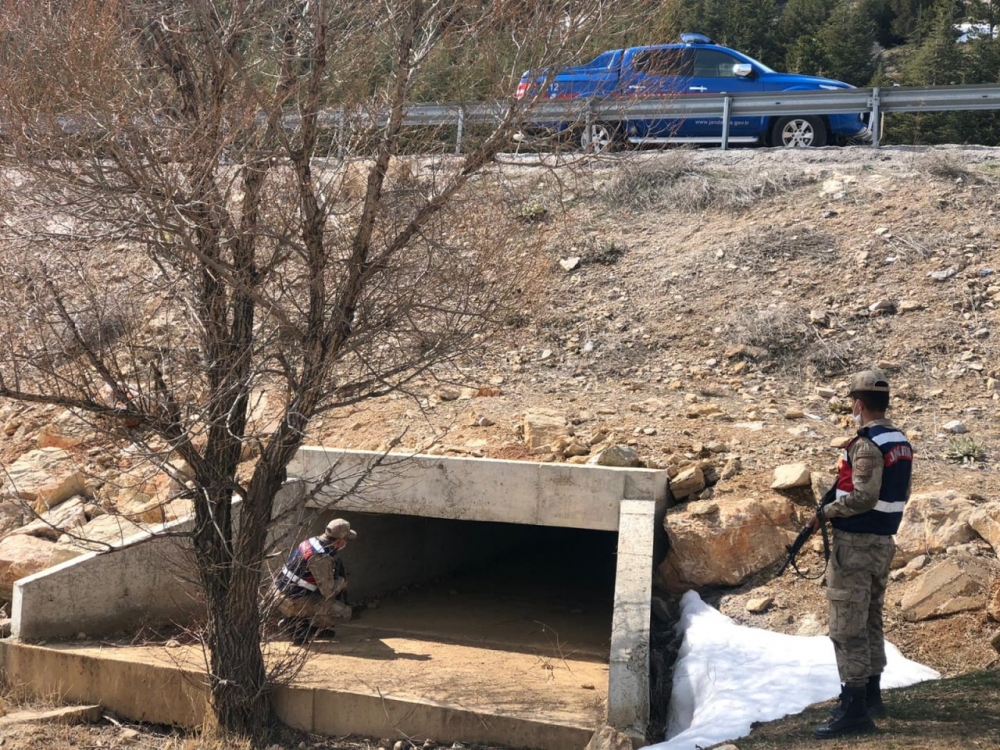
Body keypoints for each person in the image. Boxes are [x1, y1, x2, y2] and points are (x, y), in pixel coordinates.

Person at [808, 370, 913, 739]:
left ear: (857, 404)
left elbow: (865, 496)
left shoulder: (867, 442)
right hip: (882, 543)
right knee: (870, 619)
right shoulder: (899, 440)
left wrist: (827, 512)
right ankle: (870, 696)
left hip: (856, 545)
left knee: (847, 626)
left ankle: (853, 709)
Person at [273, 518, 357, 645]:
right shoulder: (321, 557)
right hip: (291, 600)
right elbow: (328, 591)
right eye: (345, 540)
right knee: (343, 613)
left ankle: (304, 625)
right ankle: (298, 627)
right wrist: (341, 583)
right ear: (339, 542)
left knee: (315, 598)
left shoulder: (311, 542)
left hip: (280, 592)